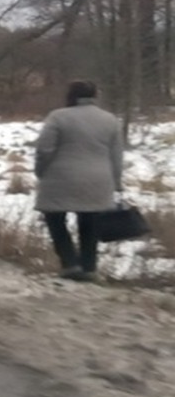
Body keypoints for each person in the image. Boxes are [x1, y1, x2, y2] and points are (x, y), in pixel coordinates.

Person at [34, 80, 124, 282]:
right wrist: (116, 182)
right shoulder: (110, 120)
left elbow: (44, 149)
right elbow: (116, 156)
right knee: (90, 222)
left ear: (71, 96)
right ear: (95, 96)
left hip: (60, 177)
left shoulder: (58, 117)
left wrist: (40, 171)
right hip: (98, 178)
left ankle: (69, 262)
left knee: (55, 219)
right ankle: (89, 267)